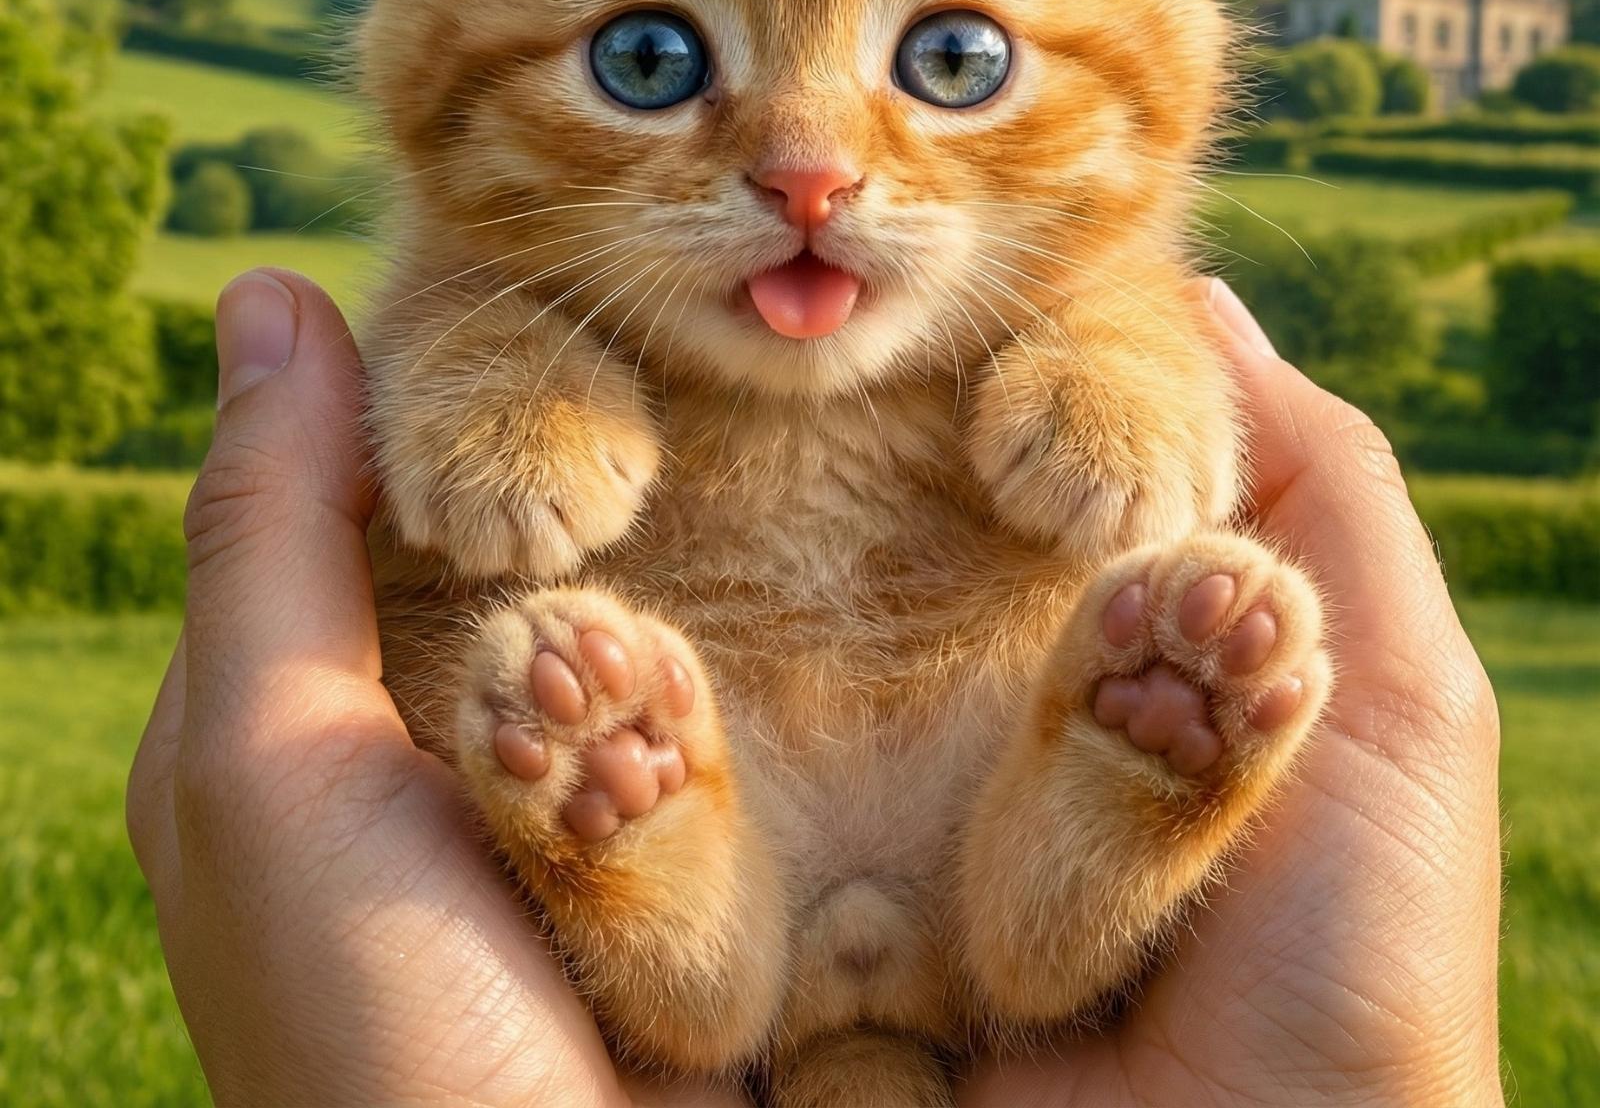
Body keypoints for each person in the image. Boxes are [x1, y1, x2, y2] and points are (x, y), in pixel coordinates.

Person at [127, 270, 1505, 1107]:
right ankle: (677, 901)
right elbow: (461, 318)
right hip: (775, 888)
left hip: (967, 790)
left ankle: (1077, 833)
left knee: (558, 676)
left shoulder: (1065, 279)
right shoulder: (505, 289)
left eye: (951, 62)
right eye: (654, 63)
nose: (813, 172)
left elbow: (1135, 333)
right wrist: (493, 360)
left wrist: (1120, 358)